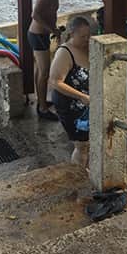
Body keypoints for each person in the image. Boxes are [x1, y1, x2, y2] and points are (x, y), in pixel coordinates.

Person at [29, 0, 74, 119]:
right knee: (45, 72)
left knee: (40, 71)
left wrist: (54, 29)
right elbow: (35, 14)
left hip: (42, 34)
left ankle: (40, 101)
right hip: (38, 35)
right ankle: (42, 109)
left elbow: (48, 15)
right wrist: (52, 30)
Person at [49, 15, 91, 166]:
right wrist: (80, 96)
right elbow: (55, 81)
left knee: (89, 143)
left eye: (88, 36)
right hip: (70, 104)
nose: (86, 39)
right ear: (72, 34)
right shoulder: (64, 52)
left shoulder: (88, 47)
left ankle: (85, 170)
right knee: (81, 145)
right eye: (82, 36)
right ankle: (78, 176)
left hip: (87, 104)